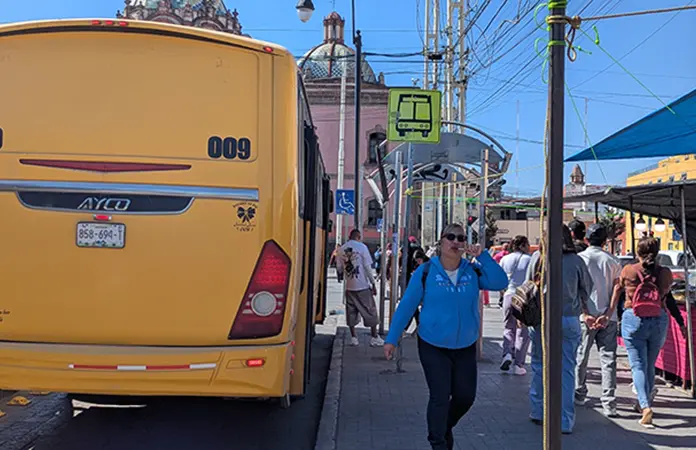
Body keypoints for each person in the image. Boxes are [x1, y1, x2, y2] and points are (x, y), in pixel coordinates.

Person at [383, 223, 508, 450]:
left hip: (465, 345)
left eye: (460, 238)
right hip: (433, 344)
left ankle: (443, 426)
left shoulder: (473, 271)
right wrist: (392, 339)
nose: (456, 242)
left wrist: (483, 256)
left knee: (465, 397)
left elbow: (501, 282)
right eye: (451, 237)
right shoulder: (426, 272)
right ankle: (438, 442)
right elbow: (407, 305)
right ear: (441, 241)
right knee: (440, 396)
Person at [528, 225, 593, 435]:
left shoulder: (538, 258)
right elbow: (587, 288)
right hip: (569, 317)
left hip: (542, 318)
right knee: (566, 370)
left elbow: (528, 285)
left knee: (539, 364)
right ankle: (564, 420)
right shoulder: (576, 261)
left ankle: (538, 411)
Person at [605, 237, 672, 428]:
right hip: (658, 318)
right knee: (650, 364)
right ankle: (645, 402)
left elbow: (618, 290)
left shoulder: (629, 270)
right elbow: (666, 293)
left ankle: (645, 406)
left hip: (633, 317)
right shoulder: (665, 273)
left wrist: (609, 314)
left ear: (637, 252)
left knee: (638, 365)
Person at [575, 224, 622, 418]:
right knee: (608, 360)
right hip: (608, 317)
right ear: (605, 241)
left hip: (585, 316)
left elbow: (578, 288)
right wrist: (609, 312)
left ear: (586, 239)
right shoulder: (613, 260)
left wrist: (586, 312)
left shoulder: (580, 259)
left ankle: (579, 392)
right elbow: (617, 287)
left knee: (581, 357)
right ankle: (609, 401)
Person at [336, 229, 385, 348]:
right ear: (358, 237)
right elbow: (367, 267)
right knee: (371, 311)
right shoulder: (362, 248)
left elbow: (339, 268)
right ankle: (374, 337)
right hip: (362, 286)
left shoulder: (341, 249)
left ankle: (354, 338)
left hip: (349, 286)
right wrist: (373, 283)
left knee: (351, 312)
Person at [499, 235, 532, 375]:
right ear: (523, 245)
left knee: (508, 327)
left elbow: (500, 280)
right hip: (523, 297)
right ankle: (518, 364)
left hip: (508, 294)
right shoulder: (529, 259)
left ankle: (507, 354)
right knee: (523, 331)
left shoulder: (505, 259)